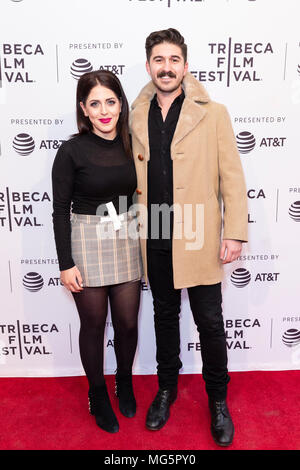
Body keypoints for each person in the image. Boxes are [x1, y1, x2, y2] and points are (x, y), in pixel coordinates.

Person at [130, 28, 248, 446]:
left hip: (197, 230)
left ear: (185, 65)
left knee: (210, 323)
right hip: (156, 229)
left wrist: (234, 232)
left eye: (173, 59)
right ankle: (166, 389)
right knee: (164, 318)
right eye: (158, 60)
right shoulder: (134, 113)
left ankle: (218, 400)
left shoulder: (212, 112)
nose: (166, 67)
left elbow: (232, 177)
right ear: (148, 66)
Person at [52, 70, 142, 433]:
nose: (104, 110)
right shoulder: (71, 150)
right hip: (86, 241)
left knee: (128, 323)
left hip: (128, 237)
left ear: (121, 104)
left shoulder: (133, 143)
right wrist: (65, 263)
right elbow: (60, 210)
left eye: (110, 101)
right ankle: (98, 393)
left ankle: (124, 381)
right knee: (92, 325)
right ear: (84, 110)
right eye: (94, 104)